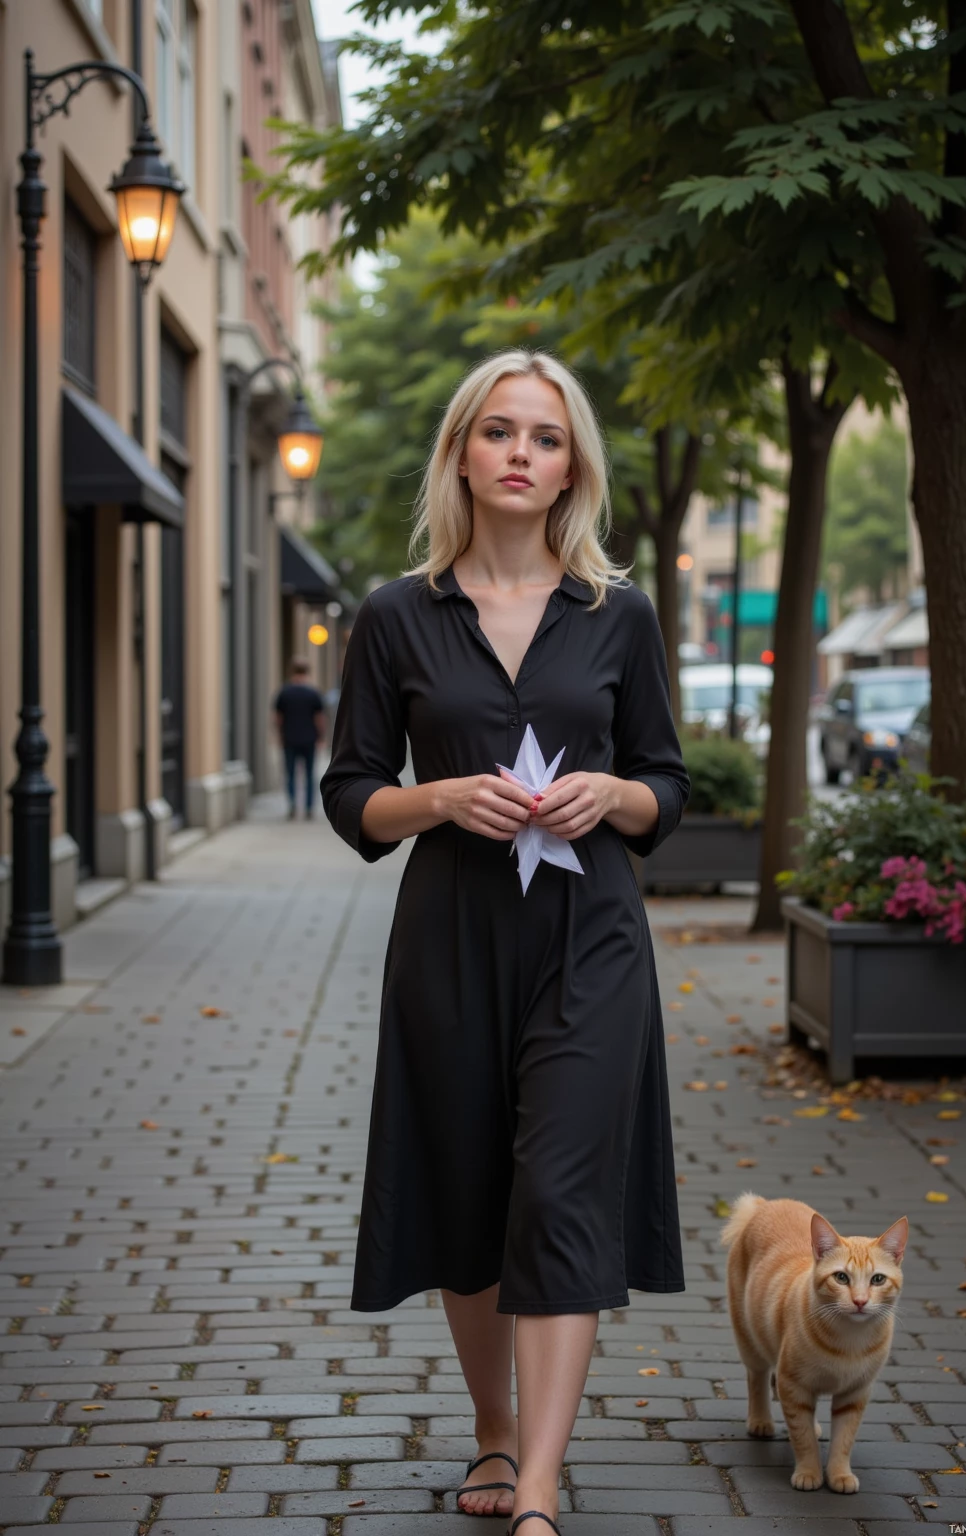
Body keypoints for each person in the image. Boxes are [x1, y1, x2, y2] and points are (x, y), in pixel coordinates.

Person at [321, 350, 690, 1535]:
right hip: (452, 940)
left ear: (571, 465)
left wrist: (614, 796)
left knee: (562, 1193)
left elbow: (667, 785)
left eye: (545, 435)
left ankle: (536, 1488)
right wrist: (437, 798)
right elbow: (350, 794)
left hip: (592, 941)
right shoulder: (397, 615)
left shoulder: (619, 615)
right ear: (461, 455)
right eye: (497, 431)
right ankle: (492, 1428)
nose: (520, 453)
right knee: (472, 1190)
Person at [274, 658, 324, 820]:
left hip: (289, 738)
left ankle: (293, 805)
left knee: (290, 774)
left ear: (292, 671)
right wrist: (321, 737)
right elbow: (319, 718)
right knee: (309, 774)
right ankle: (309, 808)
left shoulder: (284, 693)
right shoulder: (313, 693)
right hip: (309, 739)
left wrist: (279, 735)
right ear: (307, 672)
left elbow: (278, 718)